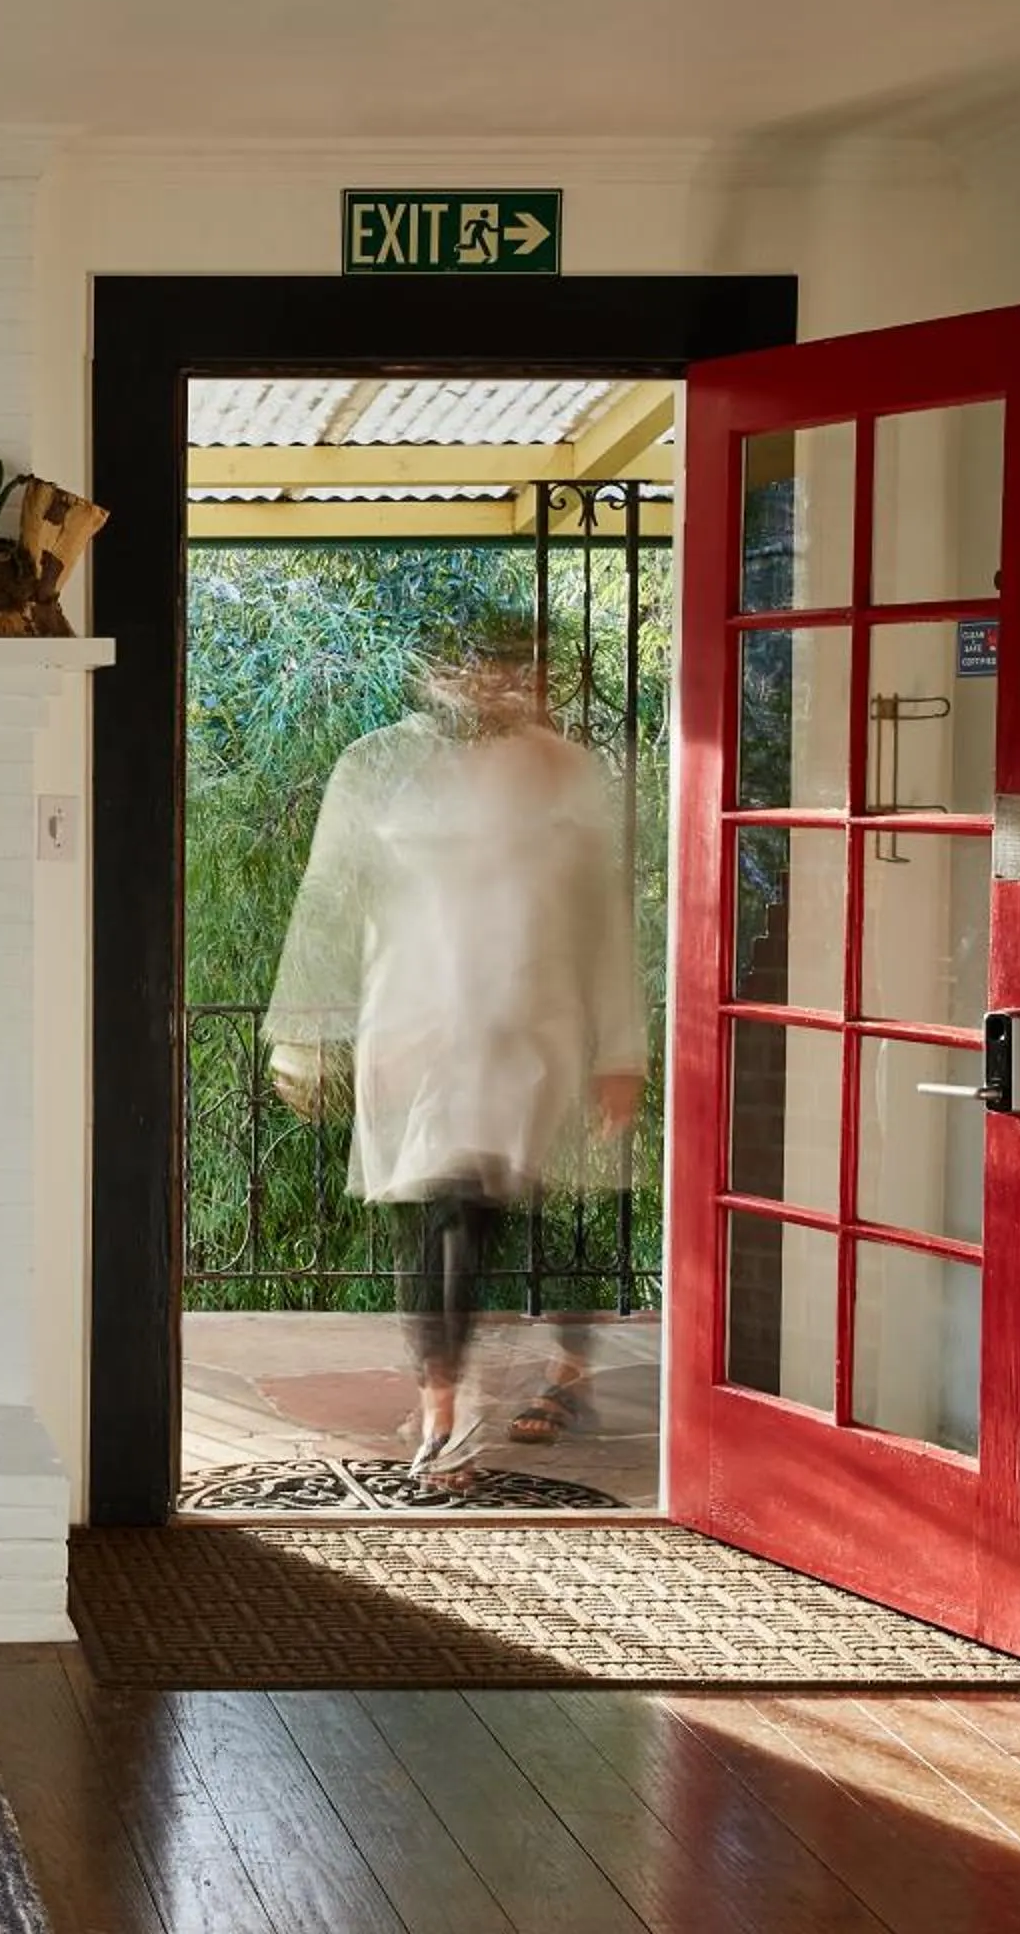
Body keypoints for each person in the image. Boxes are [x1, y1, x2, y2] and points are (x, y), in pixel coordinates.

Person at [264, 621, 645, 1487]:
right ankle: (447, 1406)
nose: (500, 688)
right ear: (440, 675)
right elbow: (325, 900)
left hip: (533, 1034)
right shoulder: (376, 765)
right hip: (413, 1025)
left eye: (518, 673)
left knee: (501, 1214)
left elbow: (602, 917)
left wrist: (618, 1048)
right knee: (435, 1221)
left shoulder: (567, 771)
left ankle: (494, 1393)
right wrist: (306, 1038)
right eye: (483, 671)